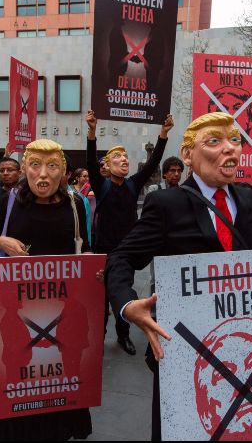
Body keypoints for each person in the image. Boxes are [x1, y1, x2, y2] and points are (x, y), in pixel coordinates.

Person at [105, 112, 252, 441]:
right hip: (185, 349)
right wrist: (128, 305)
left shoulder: (248, 198)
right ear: (188, 155)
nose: (229, 148)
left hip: (248, 350)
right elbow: (122, 257)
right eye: (214, 141)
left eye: (235, 140)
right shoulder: (166, 203)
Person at [0, 139, 93, 441]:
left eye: (52, 166)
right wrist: (1, 241)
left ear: (63, 172)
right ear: (25, 169)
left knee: (60, 374)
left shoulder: (75, 205)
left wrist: (95, 269)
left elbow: (86, 250)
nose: (43, 174)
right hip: (18, 309)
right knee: (20, 373)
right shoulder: (10, 200)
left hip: (63, 309)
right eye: (35, 165)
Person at [86, 109, 173, 356]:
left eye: (125, 157)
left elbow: (153, 163)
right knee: (102, 298)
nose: (124, 160)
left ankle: (123, 336)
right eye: (117, 157)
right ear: (107, 165)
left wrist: (163, 133)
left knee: (124, 293)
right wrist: (92, 132)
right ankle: (99, 338)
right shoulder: (102, 186)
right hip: (103, 250)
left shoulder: (133, 184)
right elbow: (91, 162)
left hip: (126, 252)